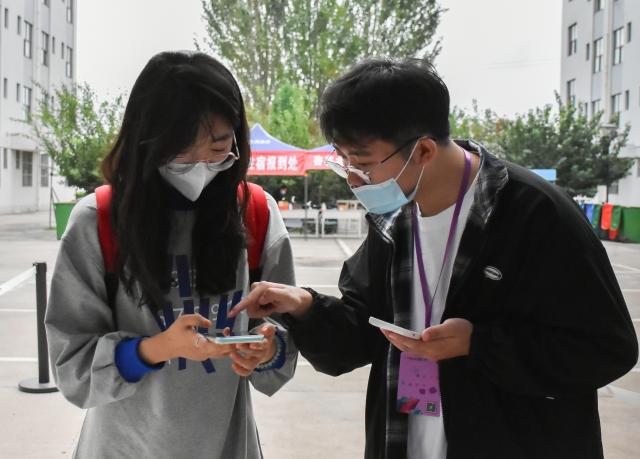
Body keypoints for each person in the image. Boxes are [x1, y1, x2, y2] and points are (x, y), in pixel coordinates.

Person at [229, 58, 638, 458]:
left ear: (423, 150)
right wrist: (305, 307)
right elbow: (361, 335)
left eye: (363, 164)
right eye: (344, 161)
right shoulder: (391, 218)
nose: (352, 178)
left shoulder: (536, 214)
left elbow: (607, 348)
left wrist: (479, 344)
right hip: (404, 439)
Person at [45, 51, 297, 458]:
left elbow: (283, 344)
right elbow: (72, 367)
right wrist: (158, 348)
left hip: (227, 445)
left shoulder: (255, 214)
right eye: (181, 150)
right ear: (146, 141)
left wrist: (267, 350)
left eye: (218, 146)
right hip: (122, 448)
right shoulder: (99, 221)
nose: (201, 164)